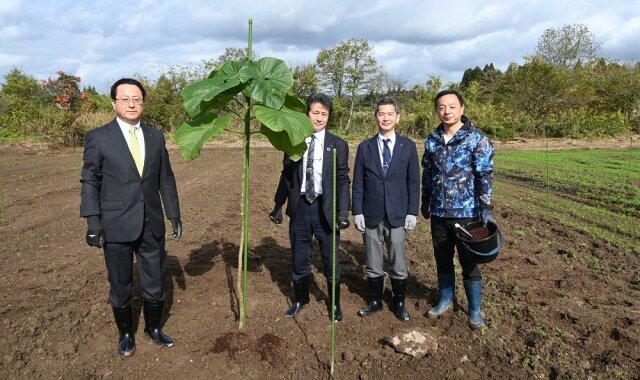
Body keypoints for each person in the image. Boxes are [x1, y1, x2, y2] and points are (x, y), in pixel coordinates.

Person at [80, 78, 183, 356]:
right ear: (114, 103)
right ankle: (126, 334)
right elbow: (90, 180)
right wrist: (93, 223)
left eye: (136, 99)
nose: (131, 104)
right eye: (125, 99)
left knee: (154, 280)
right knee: (121, 282)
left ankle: (154, 329)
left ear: (143, 103)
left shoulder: (155, 136)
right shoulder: (99, 137)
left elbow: (166, 179)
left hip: (151, 221)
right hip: (116, 225)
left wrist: (173, 214)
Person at [268, 93, 351, 322]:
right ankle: (300, 299)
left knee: (330, 258)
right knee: (299, 255)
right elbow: (286, 176)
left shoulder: (338, 145)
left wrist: (343, 212)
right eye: (315, 113)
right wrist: (278, 206)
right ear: (307, 114)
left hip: (326, 209)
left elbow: (343, 180)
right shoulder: (294, 142)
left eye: (324, 114)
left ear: (329, 117)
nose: (319, 118)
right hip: (301, 207)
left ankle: (334, 304)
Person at [421, 89, 494, 329]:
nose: (447, 111)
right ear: (437, 111)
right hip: (440, 213)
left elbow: (484, 175)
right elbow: (429, 173)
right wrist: (425, 200)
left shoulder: (477, 140)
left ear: (462, 109)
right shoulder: (432, 140)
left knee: (469, 262)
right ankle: (445, 300)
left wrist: (485, 207)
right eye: (442, 107)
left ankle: (474, 310)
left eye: (452, 107)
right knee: (442, 259)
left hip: (468, 214)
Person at [352, 96, 420, 321]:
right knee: (373, 262)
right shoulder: (365, 147)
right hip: (371, 213)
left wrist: (412, 211)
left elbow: (413, 182)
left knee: (397, 261)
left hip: (398, 214)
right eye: (381, 113)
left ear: (397, 117)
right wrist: (358, 211)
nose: (386, 118)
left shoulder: (408, 146)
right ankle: (375, 301)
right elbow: (359, 182)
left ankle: (398, 302)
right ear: (375, 117)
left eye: (390, 114)